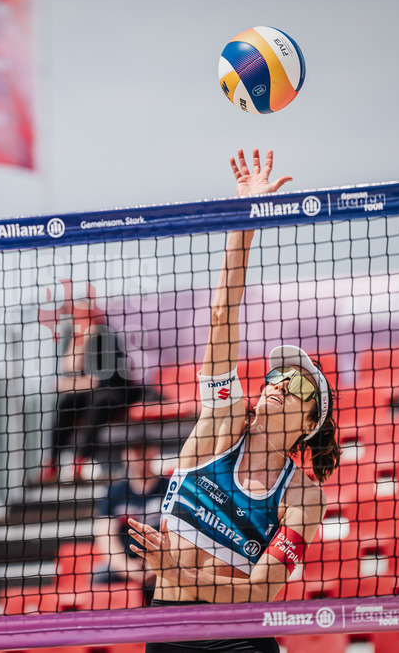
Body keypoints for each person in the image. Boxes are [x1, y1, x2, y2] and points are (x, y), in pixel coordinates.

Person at [127, 149, 341, 653]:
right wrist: (246, 218)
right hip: (169, 633)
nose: (279, 384)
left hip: (240, 641)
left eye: (298, 385)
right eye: (276, 375)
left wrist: (179, 572)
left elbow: (261, 591)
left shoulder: (303, 497)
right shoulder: (220, 426)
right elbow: (223, 313)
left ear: (310, 422)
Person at [45, 292, 143, 482]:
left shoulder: (104, 336)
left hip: (115, 392)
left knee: (97, 401)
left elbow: (99, 381)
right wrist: (80, 342)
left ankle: (80, 460)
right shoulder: (73, 339)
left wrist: (71, 384)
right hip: (89, 393)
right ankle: (51, 462)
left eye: (85, 314)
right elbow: (68, 371)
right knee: (67, 402)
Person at [91, 437, 167, 602]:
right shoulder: (114, 492)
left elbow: (179, 532)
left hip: (164, 562)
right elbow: (105, 536)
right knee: (99, 576)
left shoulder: (169, 488)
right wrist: (127, 568)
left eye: (144, 449)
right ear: (125, 455)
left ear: (155, 451)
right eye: (135, 451)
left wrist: (156, 564)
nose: (140, 455)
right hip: (126, 563)